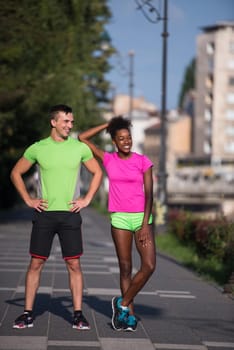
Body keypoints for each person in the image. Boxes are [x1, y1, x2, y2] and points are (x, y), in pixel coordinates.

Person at [10, 104, 102, 330]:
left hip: (70, 214)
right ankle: (28, 313)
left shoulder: (79, 148)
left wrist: (87, 199)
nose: (70, 125)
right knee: (36, 263)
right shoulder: (38, 148)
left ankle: (78, 315)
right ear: (54, 122)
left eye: (71, 122)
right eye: (66, 121)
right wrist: (28, 200)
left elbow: (97, 171)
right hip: (44, 215)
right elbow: (15, 172)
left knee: (74, 265)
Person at [78, 116, 156, 332]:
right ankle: (128, 316)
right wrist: (108, 124)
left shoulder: (142, 161)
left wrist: (144, 225)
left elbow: (149, 195)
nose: (126, 141)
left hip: (141, 218)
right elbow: (82, 137)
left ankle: (121, 303)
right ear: (114, 141)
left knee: (149, 265)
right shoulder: (108, 159)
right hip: (119, 218)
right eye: (121, 138)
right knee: (125, 268)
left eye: (128, 138)